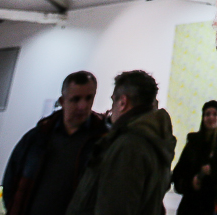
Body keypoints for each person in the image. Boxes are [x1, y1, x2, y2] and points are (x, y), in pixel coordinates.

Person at [66, 70, 176, 215]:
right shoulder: (154, 139)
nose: (111, 109)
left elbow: (114, 207)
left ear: (123, 102)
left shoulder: (129, 146)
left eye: (113, 101)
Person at [3, 71, 108, 215]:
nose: (83, 106)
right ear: (62, 101)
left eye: (89, 98)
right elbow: (11, 180)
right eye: (76, 99)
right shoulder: (38, 137)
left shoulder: (103, 141)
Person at [171, 100, 217, 215]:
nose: (211, 117)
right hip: (191, 204)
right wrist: (191, 181)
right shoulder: (193, 144)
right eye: (207, 114)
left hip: (212, 205)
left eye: (215, 114)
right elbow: (178, 174)